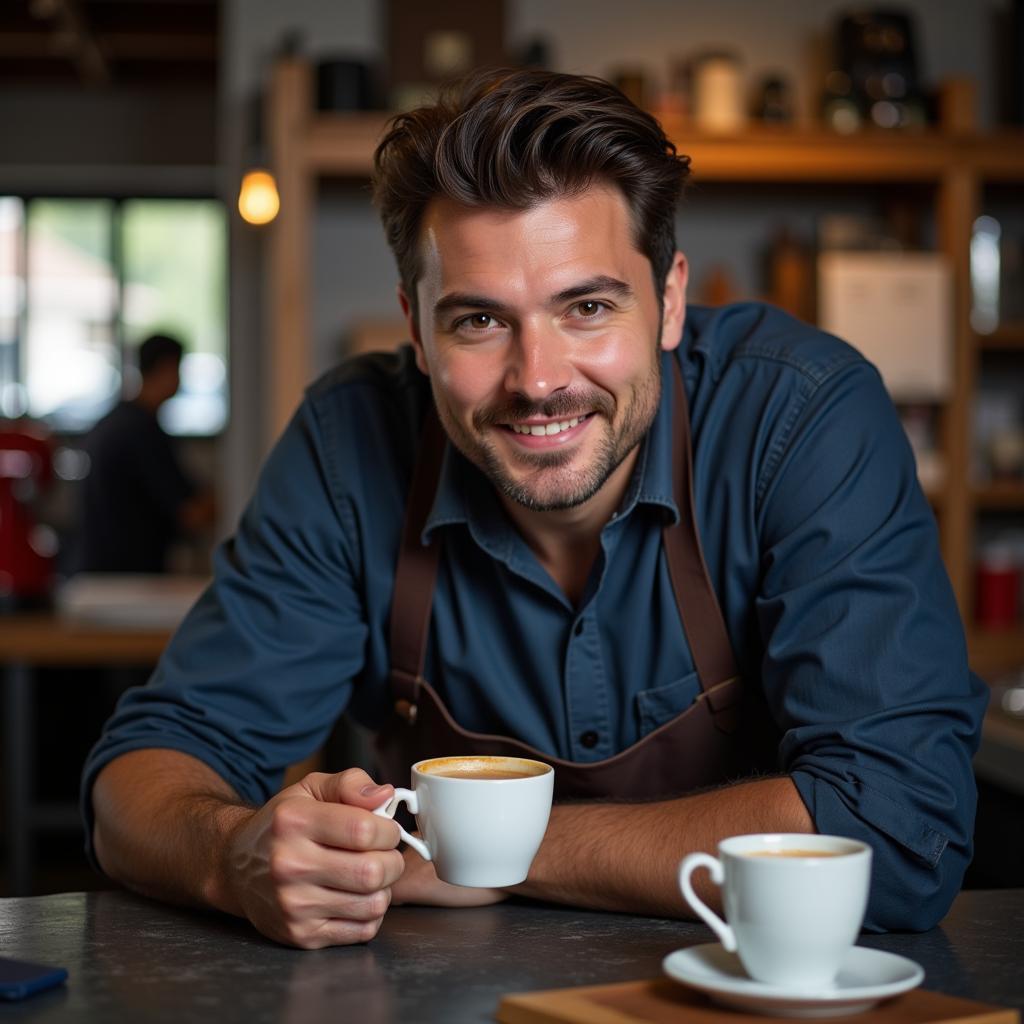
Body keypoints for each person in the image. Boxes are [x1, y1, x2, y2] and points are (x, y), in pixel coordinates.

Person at [82, 69, 987, 949]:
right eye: (479, 321)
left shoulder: (798, 418)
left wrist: (487, 855)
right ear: (418, 327)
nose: (540, 380)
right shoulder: (349, 440)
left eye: (587, 306)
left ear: (669, 301)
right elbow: (142, 775)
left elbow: (898, 833)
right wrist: (228, 854)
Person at [75, 333, 215, 574]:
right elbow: (191, 513)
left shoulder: (112, 422)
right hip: (129, 578)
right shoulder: (142, 432)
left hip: (99, 571)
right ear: (166, 368)